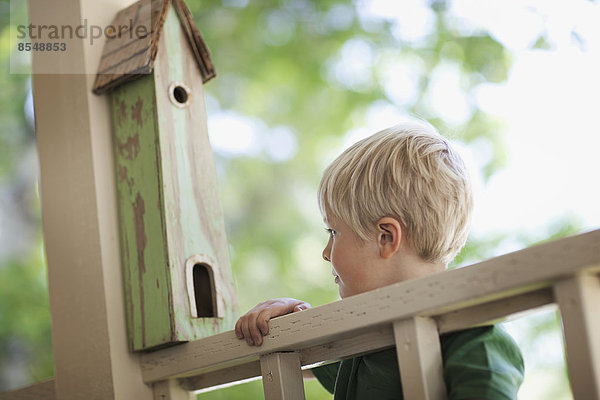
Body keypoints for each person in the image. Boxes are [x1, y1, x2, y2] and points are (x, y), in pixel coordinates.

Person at [235, 121, 524, 399]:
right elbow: (312, 360)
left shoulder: (475, 340)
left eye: (334, 232)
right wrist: (297, 325)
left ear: (386, 237)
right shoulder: (364, 339)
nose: (326, 252)